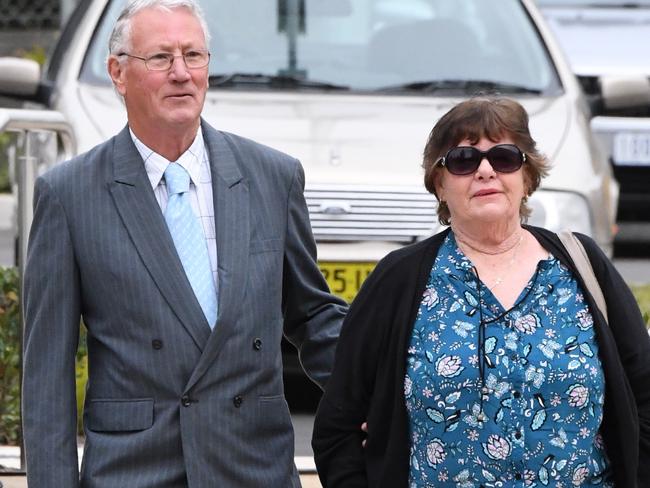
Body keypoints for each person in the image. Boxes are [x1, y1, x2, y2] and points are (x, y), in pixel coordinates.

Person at [21, 0, 347, 486]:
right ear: (118, 72)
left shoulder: (272, 177)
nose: (181, 73)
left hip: (252, 466)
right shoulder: (70, 195)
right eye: (160, 58)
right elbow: (47, 373)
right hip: (135, 470)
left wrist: (384, 390)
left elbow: (312, 316)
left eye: (193, 56)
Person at [312, 97, 650, 487]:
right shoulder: (400, 279)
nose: (486, 171)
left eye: (505, 157)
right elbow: (337, 427)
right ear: (439, 184)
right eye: (462, 160)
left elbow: (644, 396)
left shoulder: (582, 263)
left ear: (527, 177)